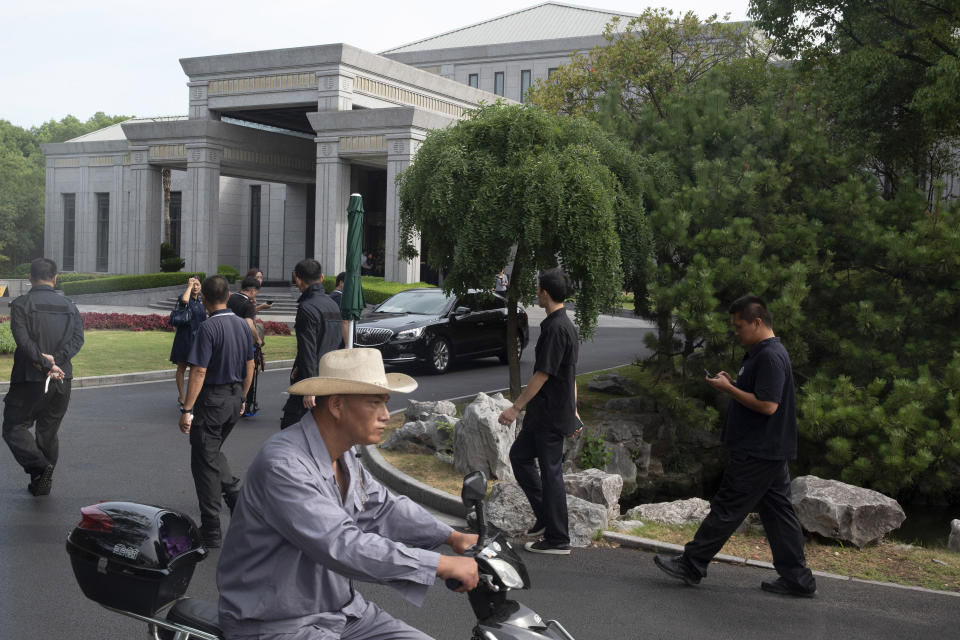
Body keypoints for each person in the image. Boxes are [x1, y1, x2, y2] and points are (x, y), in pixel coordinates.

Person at [218, 347, 479, 640]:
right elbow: (341, 544)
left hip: (343, 613)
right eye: (374, 403)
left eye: (385, 403)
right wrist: (439, 565)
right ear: (337, 405)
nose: (384, 415)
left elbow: (382, 507)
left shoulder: (344, 455)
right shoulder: (284, 465)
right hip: (276, 624)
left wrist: (452, 537)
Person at [653, 296, 817, 597]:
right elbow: (760, 396)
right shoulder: (762, 353)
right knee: (779, 513)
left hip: (759, 449)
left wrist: (729, 389)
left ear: (757, 322)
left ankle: (692, 563)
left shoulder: (770, 356)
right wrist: (734, 385)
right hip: (769, 448)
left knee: (728, 507)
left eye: (739, 327)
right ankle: (798, 578)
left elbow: (768, 405)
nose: (736, 333)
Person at [498, 267, 580, 555]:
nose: (536, 293)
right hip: (547, 414)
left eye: (537, 289)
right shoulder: (561, 325)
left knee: (551, 473)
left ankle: (558, 538)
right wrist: (576, 411)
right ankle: (546, 516)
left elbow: (544, 374)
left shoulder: (558, 328)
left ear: (545, 293)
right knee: (519, 456)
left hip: (549, 415)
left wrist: (515, 407)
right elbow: (570, 375)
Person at [179, 275, 255, 548]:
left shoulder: (209, 327)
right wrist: (244, 396)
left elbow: (198, 370)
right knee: (210, 453)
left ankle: (212, 529)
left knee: (203, 463)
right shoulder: (242, 325)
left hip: (213, 400)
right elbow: (250, 365)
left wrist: (187, 408)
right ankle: (238, 503)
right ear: (229, 295)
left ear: (206, 300)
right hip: (234, 398)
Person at [2, 258, 84, 497]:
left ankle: (40, 469)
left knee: (14, 427)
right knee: (48, 432)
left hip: (30, 379)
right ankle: (41, 482)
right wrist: (55, 361)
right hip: (61, 380)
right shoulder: (70, 305)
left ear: (30, 277)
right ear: (55, 278)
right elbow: (78, 340)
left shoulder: (21, 304)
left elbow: (23, 340)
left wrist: (45, 362)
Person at [281, 259, 343, 429]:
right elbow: (334, 342)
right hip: (329, 376)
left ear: (298, 280)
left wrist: (310, 386)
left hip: (311, 381)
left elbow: (308, 348)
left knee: (291, 429)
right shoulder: (333, 304)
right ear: (322, 277)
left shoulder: (307, 308)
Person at [228, 277, 263, 417]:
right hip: (242, 343)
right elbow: (249, 325)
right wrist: (258, 338)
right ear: (253, 290)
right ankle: (243, 402)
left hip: (226, 340)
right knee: (248, 371)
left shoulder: (230, 298)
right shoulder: (247, 305)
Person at [170, 276, 206, 408]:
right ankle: (182, 396)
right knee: (181, 367)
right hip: (184, 338)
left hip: (198, 338)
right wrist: (189, 286)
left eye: (197, 284)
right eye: (193, 284)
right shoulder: (184, 297)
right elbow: (184, 300)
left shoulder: (202, 301)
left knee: (195, 368)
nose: (195, 287)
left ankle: (192, 395)